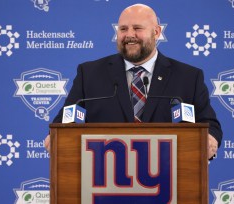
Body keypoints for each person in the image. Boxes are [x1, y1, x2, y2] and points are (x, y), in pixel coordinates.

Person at [45, 3, 222, 159]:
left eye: (137, 28)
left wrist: (210, 140)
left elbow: (210, 125)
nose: (130, 35)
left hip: (169, 182)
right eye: (123, 29)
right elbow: (66, 121)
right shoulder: (89, 73)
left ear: (157, 32)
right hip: (101, 182)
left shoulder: (188, 77)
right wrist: (56, 136)